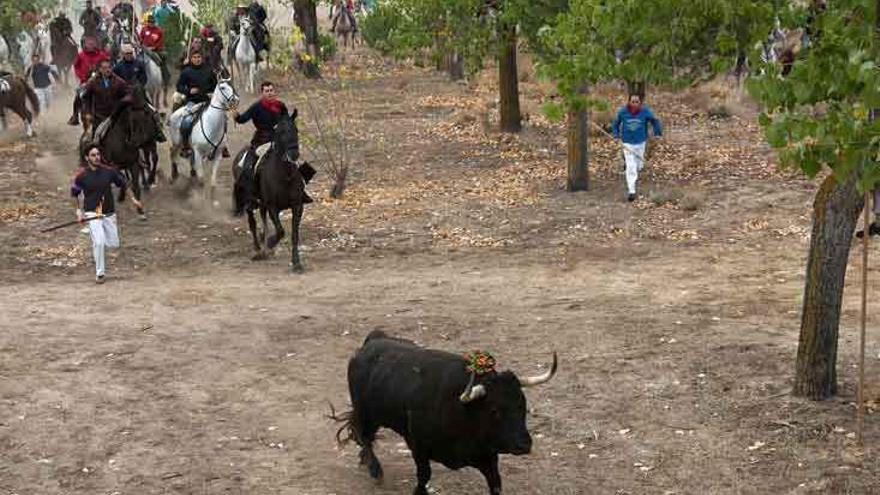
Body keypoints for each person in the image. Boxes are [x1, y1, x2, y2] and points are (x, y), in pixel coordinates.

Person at [71, 143, 143, 284]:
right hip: (92, 212)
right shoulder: (82, 176)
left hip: (109, 213)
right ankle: (100, 273)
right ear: (87, 158)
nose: (97, 157)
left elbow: (124, 184)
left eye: (98, 154)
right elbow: (75, 193)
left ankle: (98, 237)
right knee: (99, 242)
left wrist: (134, 199)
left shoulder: (109, 172)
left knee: (113, 244)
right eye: (93, 155)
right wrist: (79, 211)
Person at [611, 93, 662, 202]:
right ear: (629, 102)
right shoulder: (623, 112)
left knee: (639, 165)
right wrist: (615, 135)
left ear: (640, 103)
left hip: (640, 142)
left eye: (637, 102)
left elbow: (655, 121)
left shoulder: (645, 111)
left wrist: (657, 133)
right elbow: (615, 124)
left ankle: (634, 169)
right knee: (631, 166)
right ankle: (631, 191)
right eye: (632, 101)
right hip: (627, 143)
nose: (634, 104)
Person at [175, 50, 217, 155]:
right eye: (194, 57)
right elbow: (179, 86)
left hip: (208, 102)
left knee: (221, 120)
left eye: (199, 57)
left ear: (202, 58)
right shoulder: (186, 71)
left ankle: (220, 146)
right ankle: (185, 146)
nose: (197, 59)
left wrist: (212, 93)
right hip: (192, 102)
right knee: (186, 123)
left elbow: (216, 86)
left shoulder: (209, 70)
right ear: (191, 59)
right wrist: (188, 91)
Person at [69, 35, 110, 126]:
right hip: (85, 80)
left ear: (95, 44)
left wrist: (104, 72)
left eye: (92, 44)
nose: (90, 46)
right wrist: (81, 76)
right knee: (78, 95)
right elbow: (76, 66)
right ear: (85, 45)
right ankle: (75, 116)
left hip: (100, 79)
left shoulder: (101, 54)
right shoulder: (81, 55)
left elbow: (108, 63)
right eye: (89, 44)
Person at [82, 59, 129, 133]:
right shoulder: (93, 82)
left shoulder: (120, 82)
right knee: (92, 139)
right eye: (104, 68)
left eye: (109, 67)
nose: (107, 70)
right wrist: (88, 112)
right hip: (99, 117)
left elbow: (127, 94)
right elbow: (86, 98)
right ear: (100, 69)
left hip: (116, 117)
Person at [139, 12, 170, 84]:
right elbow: (141, 38)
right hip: (145, 49)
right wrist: (141, 43)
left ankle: (166, 78)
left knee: (161, 61)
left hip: (156, 50)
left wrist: (154, 47)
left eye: (152, 22)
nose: (151, 24)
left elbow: (161, 41)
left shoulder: (159, 31)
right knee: (139, 61)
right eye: (149, 22)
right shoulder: (144, 29)